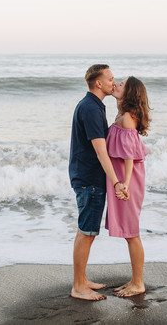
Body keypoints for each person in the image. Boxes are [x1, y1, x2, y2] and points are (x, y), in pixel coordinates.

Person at [68, 64, 129, 301]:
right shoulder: (91, 109)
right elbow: (101, 152)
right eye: (111, 79)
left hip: (87, 176)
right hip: (89, 179)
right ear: (98, 83)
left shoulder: (92, 105)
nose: (114, 83)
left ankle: (82, 280)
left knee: (86, 231)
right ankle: (78, 286)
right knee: (86, 232)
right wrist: (116, 183)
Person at [105, 76, 151, 297]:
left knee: (132, 232)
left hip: (128, 180)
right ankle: (135, 280)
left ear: (130, 93)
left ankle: (138, 283)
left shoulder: (127, 118)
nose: (117, 85)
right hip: (124, 179)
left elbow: (130, 157)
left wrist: (125, 184)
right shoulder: (122, 115)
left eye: (121, 84)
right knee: (129, 232)